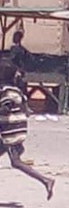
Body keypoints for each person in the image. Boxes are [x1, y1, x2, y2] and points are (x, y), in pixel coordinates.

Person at [0, 62, 54, 200]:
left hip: (10, 133)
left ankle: (45, 180)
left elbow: (5, 108)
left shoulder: (6, 92)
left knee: (16, 162)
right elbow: (27, 111)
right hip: (19, 130)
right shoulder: (17, 91)